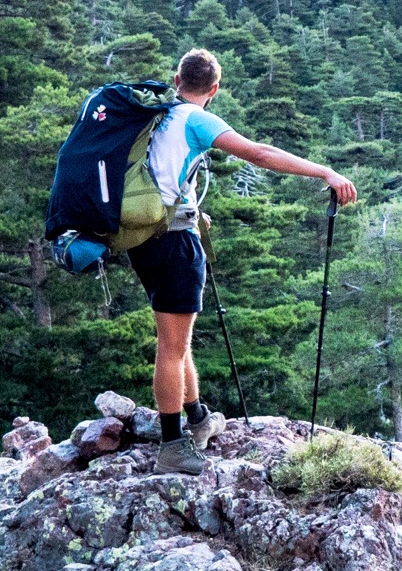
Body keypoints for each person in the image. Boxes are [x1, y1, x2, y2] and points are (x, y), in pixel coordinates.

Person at [131, 49, 357, 475]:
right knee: (171, 347)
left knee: (176, 337)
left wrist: (190, 209)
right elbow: (259, 153)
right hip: (174, 243)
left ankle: (198, 419)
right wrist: (324, 172)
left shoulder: (156, 114)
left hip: (143, 237)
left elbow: (158, 173)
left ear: (176, 79)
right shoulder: (195, 119)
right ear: (214, 89)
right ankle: (172, 447)